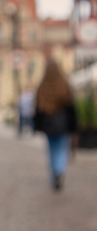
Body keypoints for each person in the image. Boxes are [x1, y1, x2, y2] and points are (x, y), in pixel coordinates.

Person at [33, 60, 78, 192]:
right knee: (61, 150)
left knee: (52, 149)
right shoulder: (64, 85)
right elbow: (71, 108)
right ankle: (59, 171)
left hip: (48, 124)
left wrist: (37, 126)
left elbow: (38, 110)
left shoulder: (43, 86)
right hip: (63, 123)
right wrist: (74, 127)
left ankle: (55, 173)